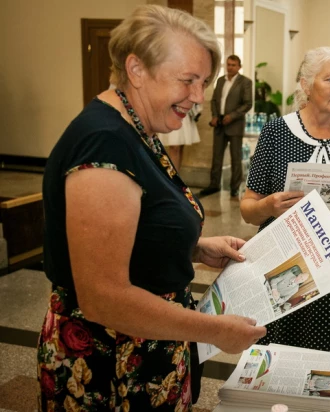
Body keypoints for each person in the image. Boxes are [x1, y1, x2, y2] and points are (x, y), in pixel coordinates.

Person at [37, 6, 266, 410]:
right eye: (188, 81)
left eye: (204, 82)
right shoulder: (104, 144)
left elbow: (134, 231)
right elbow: (104, 296)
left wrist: (193, 248)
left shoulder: (136, 125)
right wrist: (214, 331)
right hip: (109, 363)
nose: (198, 97)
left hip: (144, 349)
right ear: (136, 69)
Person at [240, 46, 330, 352]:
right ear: (306, 85)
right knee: (278, 357)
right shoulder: (276, 133)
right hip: (284, 272)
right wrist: (268, 206)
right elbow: (248, 209)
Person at [200, 55, 253, 198]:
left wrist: (232, 116)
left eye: (234, 65)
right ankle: (214, 185)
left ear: (239, 67)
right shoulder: (221, 80)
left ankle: (234, 188)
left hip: (234, 124)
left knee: (236, 157)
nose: (230, 67)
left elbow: (247, 104)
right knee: (216, 156)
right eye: (228, 64)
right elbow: (214, 100)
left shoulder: (245, 82)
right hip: (219, 124)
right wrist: (215, 116)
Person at [158, 103, 202, 168]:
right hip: (171, 110)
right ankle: (172, 176)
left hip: (184, 112)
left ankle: (176, 174)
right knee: (174, 147)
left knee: (180, 146)